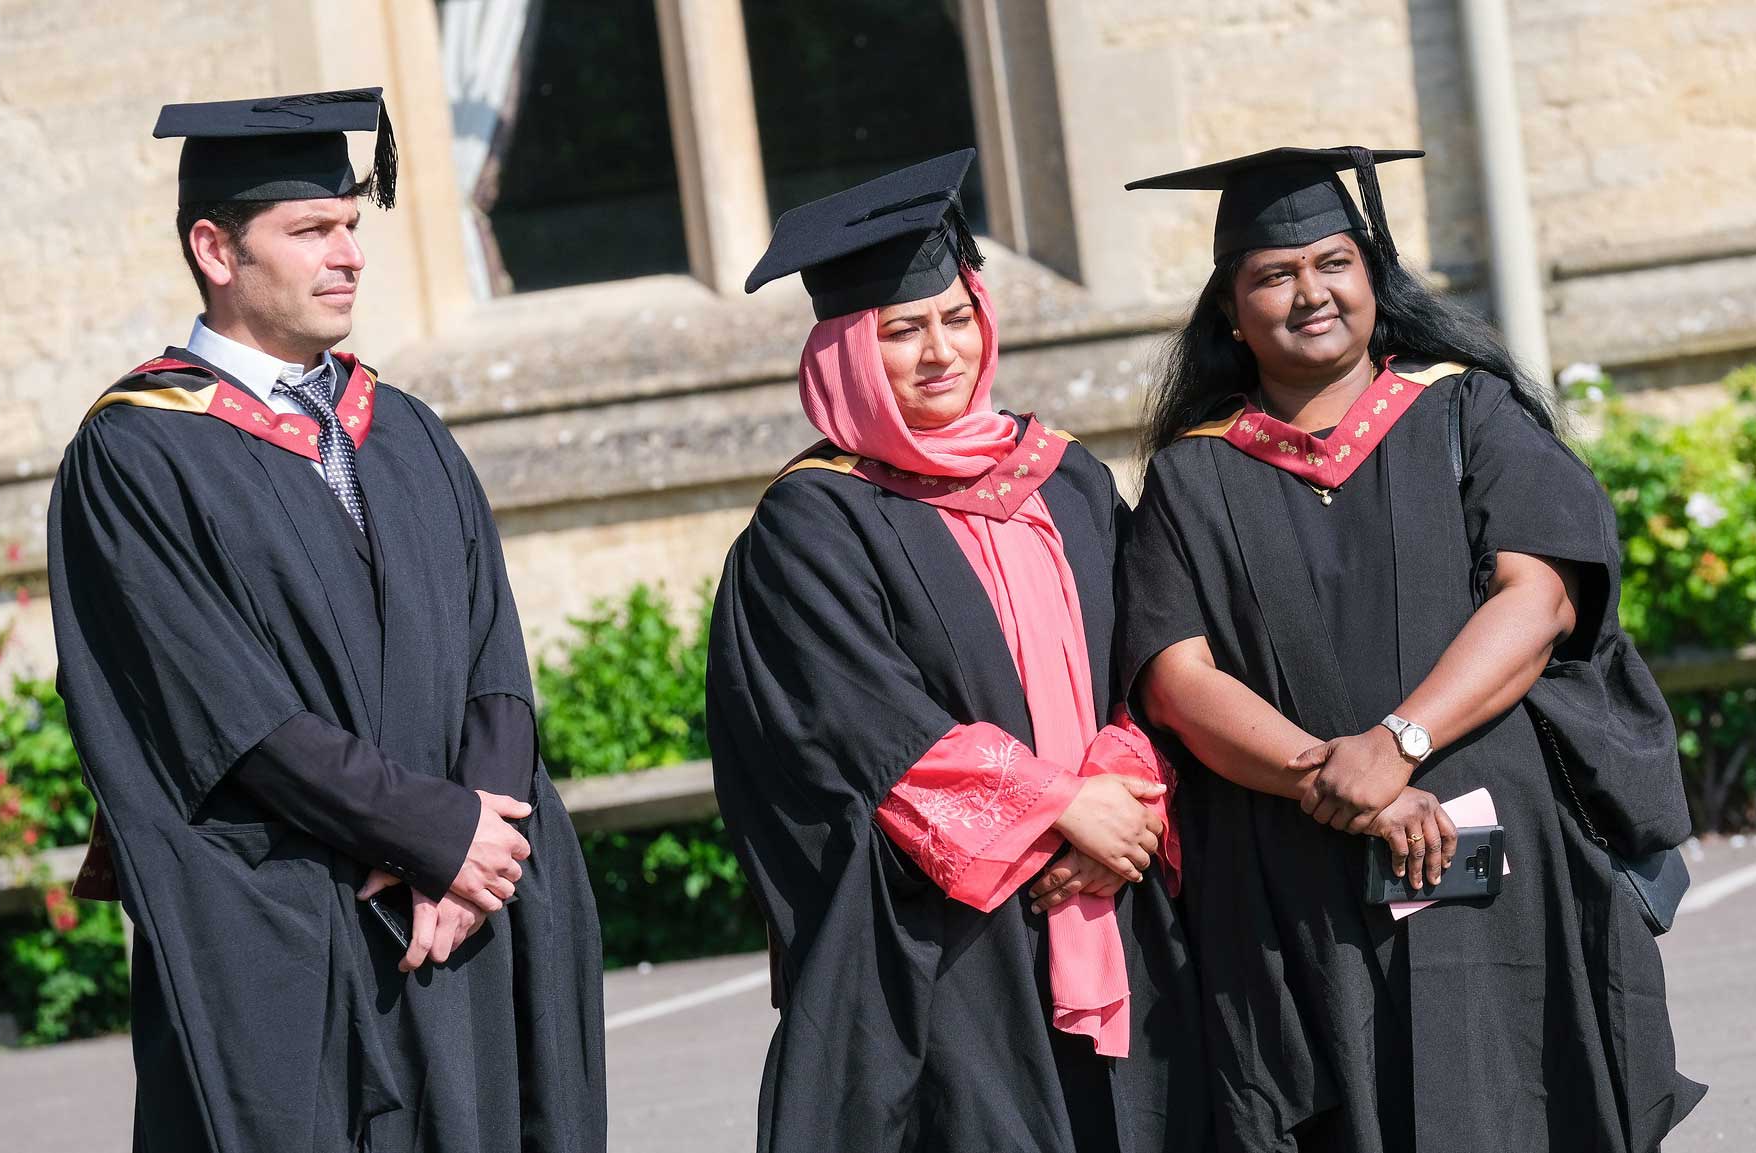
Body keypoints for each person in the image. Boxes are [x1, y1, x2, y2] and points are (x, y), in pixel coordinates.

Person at [47, 88, 605, 1153]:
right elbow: (226, 708)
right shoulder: (137, 456)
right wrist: (429, 833)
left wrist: (483, 833)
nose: (348, 254)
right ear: (216, 248)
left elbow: (494, 651)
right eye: (311, 231)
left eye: (352, 226)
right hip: (300, 920)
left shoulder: (403, 428)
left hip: (468, 915)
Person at [1117, 145, 1705, 1152]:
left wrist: (1395, 741)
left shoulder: (1464, 412)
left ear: (1370, 276)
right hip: (1297, 879)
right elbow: (1176, 678)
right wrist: (1333, 777)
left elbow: (1539, 598)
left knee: (1517, 1095)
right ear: (1227, 306)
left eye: (1332, 263)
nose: (1309, 292)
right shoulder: (1191, 477)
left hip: (1493, 854)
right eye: (1272, 274)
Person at [707, 149, 1207, 1153]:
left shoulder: (1063, 477)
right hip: (951, 944)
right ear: (848, 351)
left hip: (1118, 888)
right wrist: (1060, 809)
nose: (939, 349)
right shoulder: (813, 523)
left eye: (955, 315)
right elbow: (859, 728)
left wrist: (1119, 800)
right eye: (900, 330)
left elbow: (1147, 662)